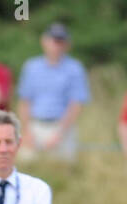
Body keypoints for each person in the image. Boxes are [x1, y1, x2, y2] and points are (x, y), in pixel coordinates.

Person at [16, 23, 90, 161]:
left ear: (67, 44)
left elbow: (76, 105)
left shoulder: (75, 69)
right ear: (44, 41)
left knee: (62, 170)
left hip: (62, 127)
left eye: (61, 41)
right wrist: (26, 131)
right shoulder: (31, 67)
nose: (57, 45)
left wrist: (60, 134)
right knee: (26, 168)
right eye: (54, 40)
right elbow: (24, 101)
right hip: (34, 126)